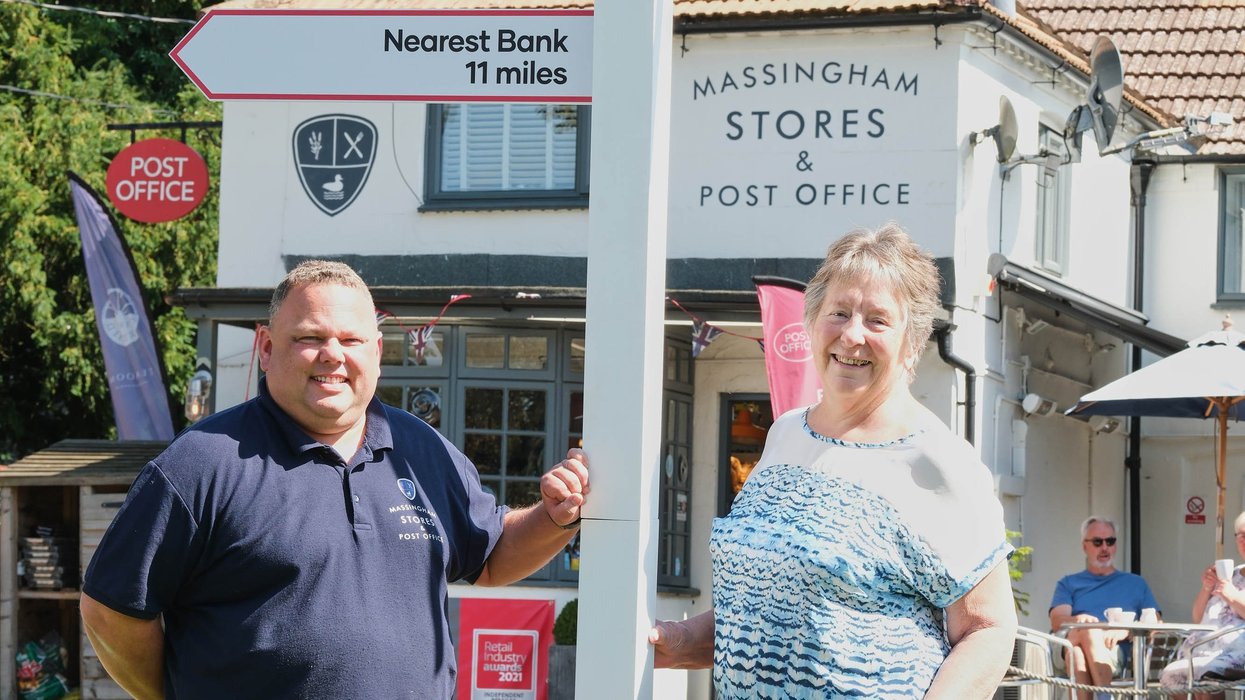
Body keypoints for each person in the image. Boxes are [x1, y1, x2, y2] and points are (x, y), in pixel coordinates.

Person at [79, 260, 590, 699]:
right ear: (265, 346)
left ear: (377, 351)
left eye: (351, 339)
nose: (333, 355)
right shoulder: (202, 463)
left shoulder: (423, 451)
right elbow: (111, 611)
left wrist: (553, 517)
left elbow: (492, 557)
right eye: (309, 338)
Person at [650, 224, 1017, 698]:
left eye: (878, 320)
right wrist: (677, 641)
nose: (852, 335)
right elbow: (762, 607)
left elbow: (988, 630)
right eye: (838, 312)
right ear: (812, 321)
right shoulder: (784, 434)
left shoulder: (937, 462)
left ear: (913, 340)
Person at [1049, 516, 1161, 699]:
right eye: (1097, 542)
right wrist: (1078, 620)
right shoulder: (1069, 583)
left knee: (1076, 656)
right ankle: (1105, 696)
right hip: (1068, 642)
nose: (1104, 547)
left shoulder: (1136, 583)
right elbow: (1057, 622)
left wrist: (1127, 630)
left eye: (1110, 541)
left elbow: (1154, 622)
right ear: (1084, 546)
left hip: (1113, 651)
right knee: (1088, 631)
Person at [1158, 511, 1245, 696]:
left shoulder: (1229, 584)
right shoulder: (1231, 574)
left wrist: (1231, 595)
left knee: (1204, 673)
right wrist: (1206, 588)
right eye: (1241, 536)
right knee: (1171, 675)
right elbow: (1198, 618)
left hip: (1236, 652)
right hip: (1203, 647)